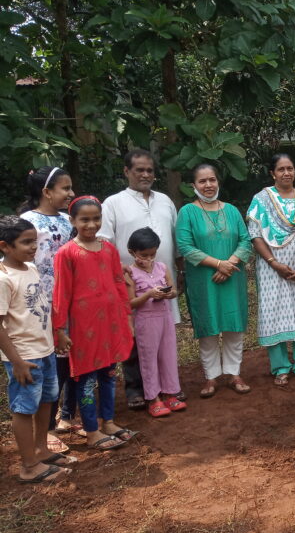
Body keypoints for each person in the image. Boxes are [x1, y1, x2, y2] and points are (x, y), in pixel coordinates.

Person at [99, 149, 184, 410]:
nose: (145, 174)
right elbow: (104, 243)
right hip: (131, 285)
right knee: (136, 339)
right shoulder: (113, 203)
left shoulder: (165, 201)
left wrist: (178, 273)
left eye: (149, 170)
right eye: (139, 170)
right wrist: (120, 273)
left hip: (162, 278)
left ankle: (168, 388)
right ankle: (138, 390)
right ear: (127, 171)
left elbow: (175, 238)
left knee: (163, 339)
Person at [53, 196, 138, 450]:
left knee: (109, 374)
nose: (91, 224)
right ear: (73, 221)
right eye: (85, 219)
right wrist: (59, 330)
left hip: (110, 324)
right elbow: (61, 294)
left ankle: (108, 422)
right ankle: (91, 431)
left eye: (96, 218)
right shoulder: (66, 253)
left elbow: (118, 284)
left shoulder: (109, 249)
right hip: (83, 328)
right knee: (86, 379)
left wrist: (127, 317)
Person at [0, 216, 75, 483]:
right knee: (24, 407)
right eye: (26, 242)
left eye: (35, 241)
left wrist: (58, 335)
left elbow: (41, 307)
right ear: (5, 246)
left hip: (45, 349)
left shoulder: (30, 268)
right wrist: (17, 361)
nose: (33, 247)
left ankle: (42, 449)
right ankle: (29, 465)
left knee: (46, 401)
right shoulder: (3, 278)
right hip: (25, 355)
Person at [176, 164, 252, 397]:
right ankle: (211, 377)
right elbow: (185, 247)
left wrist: (229, 264)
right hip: (203, 279)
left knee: (233, 326)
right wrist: (219, 264)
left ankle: (234, 373)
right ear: (194, 185)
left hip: (232, 277)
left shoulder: (231, 210)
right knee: (208, 326)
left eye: (212, 180)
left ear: (218, 182)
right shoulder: (187, 212)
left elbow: (245, 241)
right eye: (202, 181)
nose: (208, 185)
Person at [18, 166, 78, 452]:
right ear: (47, 192)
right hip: (42, 304)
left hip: (73, 300)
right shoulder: (28, 221)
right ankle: (48, 428)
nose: (71, 193)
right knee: (51, 362)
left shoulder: (69, 220)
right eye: (65, 189)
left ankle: (66, 415)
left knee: (70, 359)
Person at [248, 154, 295, 386]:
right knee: (274, 312)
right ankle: (280, 367)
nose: (286, 173)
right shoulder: (261, 199)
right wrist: (273, 263)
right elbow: (255, 235)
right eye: (281, 169)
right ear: (272, 173)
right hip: (271, 268)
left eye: (290, 168)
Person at [125, 228, 186, 417]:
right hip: (145, 320)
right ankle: (153, 398)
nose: (149, 259)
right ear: (132, 252)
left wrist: (168, 293)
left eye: (152, 254)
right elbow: (130, 303)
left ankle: (170, 393)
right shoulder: (130, 273)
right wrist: (149, 294)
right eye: (144, 255)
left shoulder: (162, 267)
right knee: (148, 359)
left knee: (168, 356)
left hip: (165, 317)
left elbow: (175, 291)